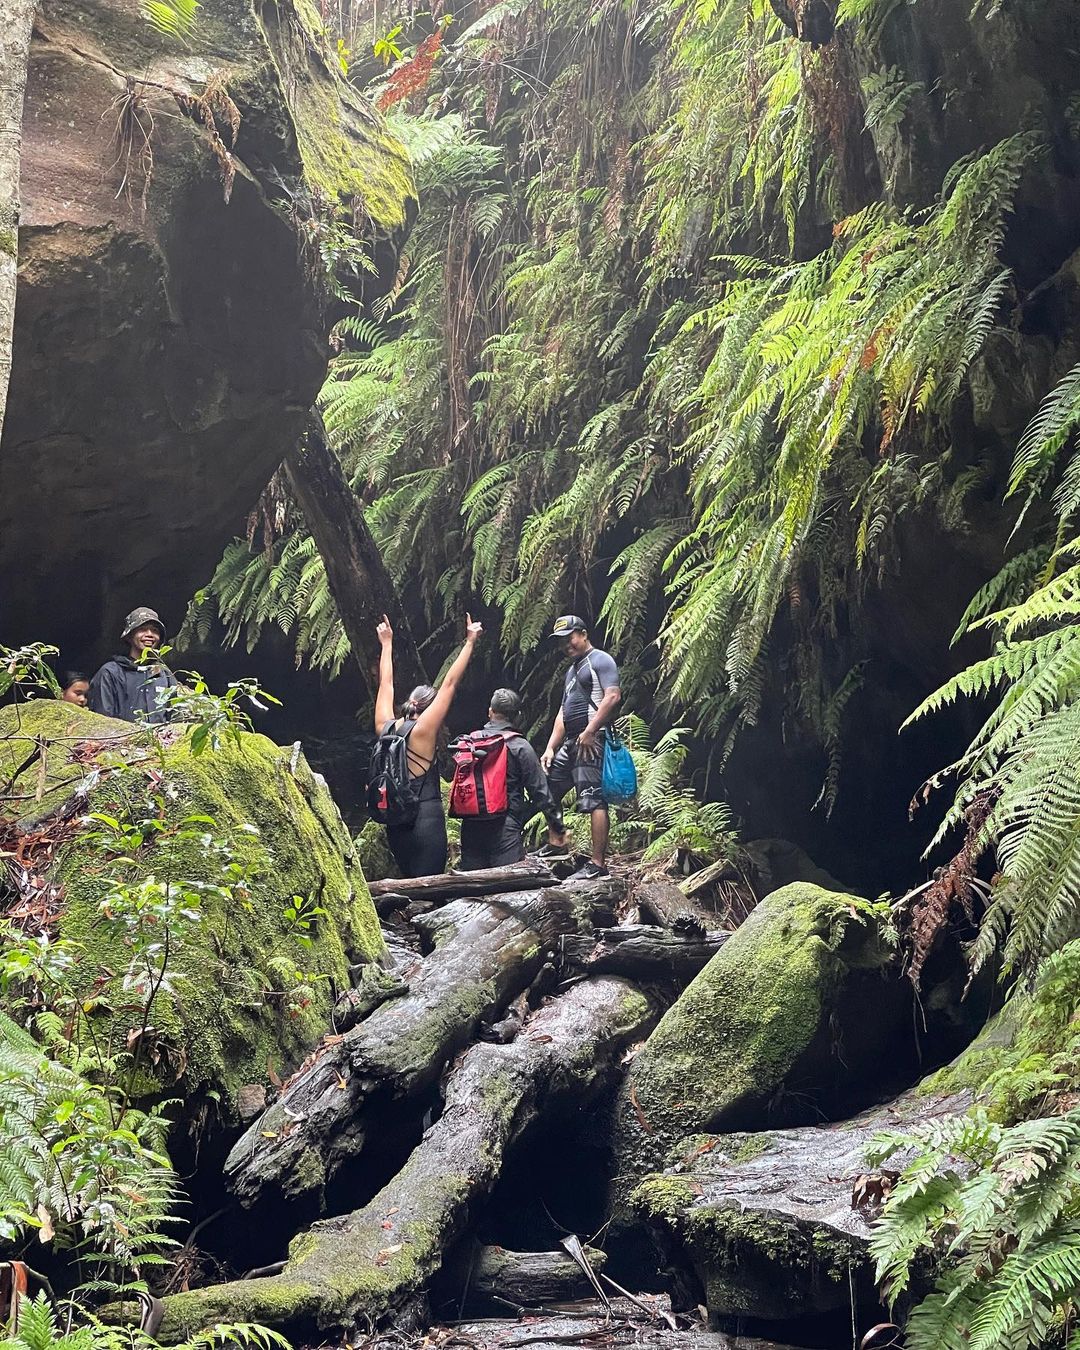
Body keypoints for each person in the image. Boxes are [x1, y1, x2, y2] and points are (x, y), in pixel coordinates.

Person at [374, 611, 482, 878]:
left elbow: (385, 684)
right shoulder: (424, 731)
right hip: (425, 819)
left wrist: (386, 644)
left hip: (395, 820)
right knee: (431, 886)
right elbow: (449, 683)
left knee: (409, 886)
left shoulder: (385, 726)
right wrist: (469, 643)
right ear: (428, 707)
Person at [540, 614, 621, 880]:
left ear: (583, 634)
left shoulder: (600, 660)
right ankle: (557, 842)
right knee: (548, 784)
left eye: (570, 638)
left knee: (594, 798)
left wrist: (591, 730)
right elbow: (562, 713)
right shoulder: (571, 671)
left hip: (592, 740)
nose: (567, 645)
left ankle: (598, 864)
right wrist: (551, 747)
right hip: (572, 741)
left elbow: (612, 696)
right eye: (562, 642)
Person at [457, 689, 565, 871]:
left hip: (471, 825)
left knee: (471, 889)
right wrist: (557, 828)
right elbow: (540, 792)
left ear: (490, 712)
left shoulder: (470, 743)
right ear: (518, 716)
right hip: (505, 826)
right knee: (507, 888)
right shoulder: (520, 746)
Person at [88, 607, 178, 724]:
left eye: (155, 630)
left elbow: (177, 716)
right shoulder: (110, 673)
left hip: (162, 741)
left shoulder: (164, 675)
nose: (149, 634)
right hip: (120, 740)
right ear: (129, 636)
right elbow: (102, 719)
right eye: (142, 629)